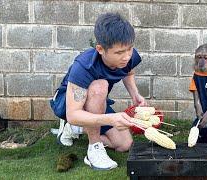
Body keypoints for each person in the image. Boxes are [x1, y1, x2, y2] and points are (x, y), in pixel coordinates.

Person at [50, 12, 147, 170]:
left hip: (96, 101)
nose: (127, 57)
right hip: (67, 103)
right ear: (100, 49)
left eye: (129, 49)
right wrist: (110, 119)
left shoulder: (130, 57)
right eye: (119, 53)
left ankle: (78, 128)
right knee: (100, 86)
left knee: (125, 144)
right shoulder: (84, 67)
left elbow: (128, 72)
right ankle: (93, 149)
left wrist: (135, 94)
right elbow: (73, 114)